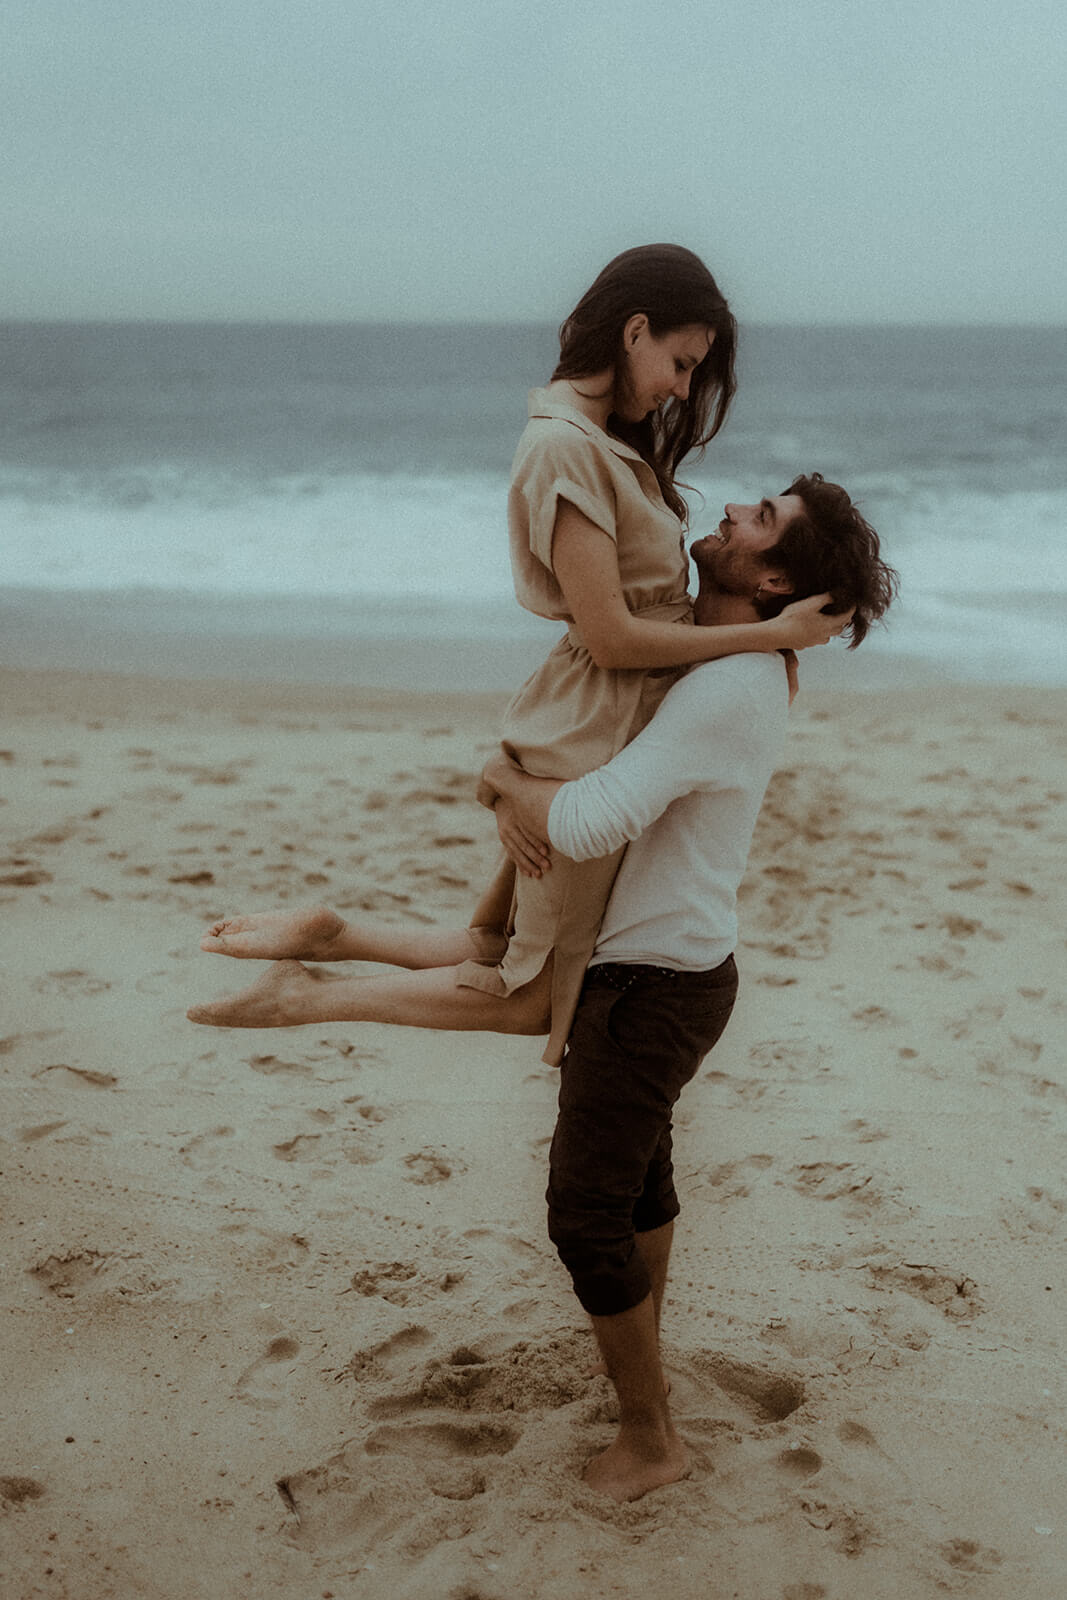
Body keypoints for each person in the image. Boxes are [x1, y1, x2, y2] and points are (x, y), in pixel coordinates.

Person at [187, 473, 896, 1505]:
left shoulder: (728, 685)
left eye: (763, 517)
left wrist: (502, 781)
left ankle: (650, 1437)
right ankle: (641, 1376)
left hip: (648, 986)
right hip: (657, 969)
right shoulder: (716, 660)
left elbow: (584, 822)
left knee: (583, 1215)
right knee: (637, 1183)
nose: (736, 509)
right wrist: (513, 782)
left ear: (774, 573)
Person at [186, 247, 844, 1052]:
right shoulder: (566, 447)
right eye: (679, 362)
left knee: (500, 951)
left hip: (595, 724)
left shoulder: (597, 438)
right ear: (635, 331)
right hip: (591, 733)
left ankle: (331, 937)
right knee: (529, 995)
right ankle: (302, 994)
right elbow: (608, 635)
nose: (680, 387)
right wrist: (775, 634)